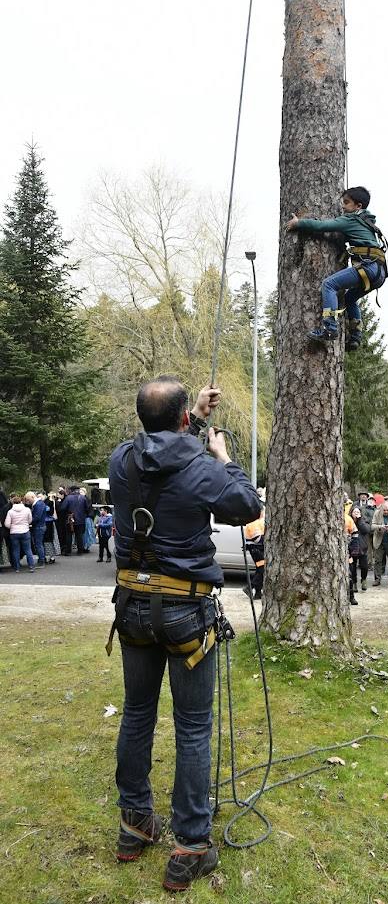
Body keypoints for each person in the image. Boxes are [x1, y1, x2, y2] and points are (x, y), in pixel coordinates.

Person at [109, 376, 261, 892]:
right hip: (184, 612)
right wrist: (221, 455)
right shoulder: (201, 467)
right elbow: (245, 505)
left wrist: (191, 420)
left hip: (132, 606)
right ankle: (191, 844)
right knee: (194, 726)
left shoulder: (120, 460)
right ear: (179, 421)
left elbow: (158, 452)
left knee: (137, 713)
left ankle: (134, 825)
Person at [286, 186, 388, 349]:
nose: (342, 206)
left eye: (346, 202)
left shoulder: (351, 219)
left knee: (329, 284)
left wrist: (299, 223)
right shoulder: (367, 223)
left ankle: (330, 329)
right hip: (379, 273)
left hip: (368, 267)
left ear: (358, 206)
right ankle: (355, 336)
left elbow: (323, 226)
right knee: (349, 299)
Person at [4, 495, 35, 573]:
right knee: (28, 550)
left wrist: (13, 526)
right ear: (21, 501)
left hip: (14, 533)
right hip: (25, 531)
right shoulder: (27, 510)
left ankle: (17, 567)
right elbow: (30, 520)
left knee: (15, 550)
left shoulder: (10, 512)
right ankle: (31, 566)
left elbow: (7, 524)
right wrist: (25, 524)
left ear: (13, 502)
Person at [348, 505, 371, 604]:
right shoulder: (349, 521)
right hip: (352, 548)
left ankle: (364, 580)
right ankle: (354, 583)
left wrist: (360, 520)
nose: (356, 514)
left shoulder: (364, 521)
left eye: (358, 512)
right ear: (351, 512)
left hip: (363, 548)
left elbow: (366, 530)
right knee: (352, 567)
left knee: (364, 566)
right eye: (355, 512)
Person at [59, 486, 90, 555]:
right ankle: (80, 551)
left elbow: (63, 508)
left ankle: (68, 551)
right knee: (79, 535)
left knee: (69, 535)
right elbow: (87, 508)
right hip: (81, 519)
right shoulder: (83, 497)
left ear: (71, 490)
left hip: (70, 519)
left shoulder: (68, 498)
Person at [244, 507, 265, 600]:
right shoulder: (254, 523)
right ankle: (249, 587)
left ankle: (258, 593)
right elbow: (257, 539)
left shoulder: (255, 522)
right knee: (262, 569)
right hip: (256, 550)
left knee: (259, 570)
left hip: (257, 550)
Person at [25, 490, 47, 567]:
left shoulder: (38, 504)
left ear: (32, 497)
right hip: (40, 526)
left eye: (28, 499)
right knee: (39, 544)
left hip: (39, 527)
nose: (28, 501)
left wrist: (28, 522)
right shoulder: (38, 504)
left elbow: (37, 517)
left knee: (38, 545)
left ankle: (42, 561)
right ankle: (42, 559)